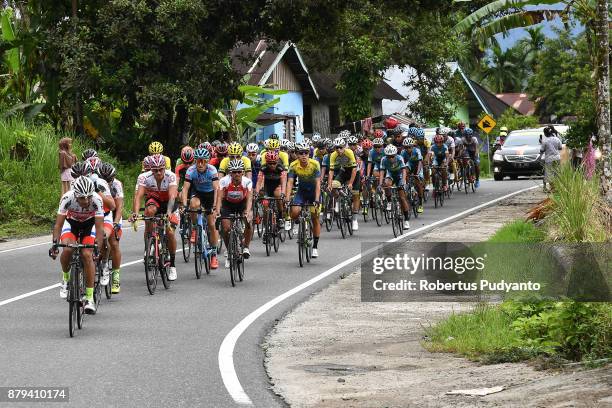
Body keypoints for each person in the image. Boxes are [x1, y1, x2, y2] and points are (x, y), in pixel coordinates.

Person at [49, 176, 104, 314]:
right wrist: (55, 245)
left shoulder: (97, 200)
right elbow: (58, 225)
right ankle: (66, 279)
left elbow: (99, 229)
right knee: (67, 249)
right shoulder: (67, 198)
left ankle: (90, 298)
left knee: (87, 255)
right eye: (82, 198)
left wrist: (97, 248)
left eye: (88, 197)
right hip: (71, 223)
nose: (86, 201)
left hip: (89, 224)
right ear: (75, 195)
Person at [129, 154, 179, 280]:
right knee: (149, 211)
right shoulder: (144, 177)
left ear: (164, 168)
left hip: (169, 203)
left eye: (161, 169)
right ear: (150, 169)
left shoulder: (171, 176)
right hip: (155, 200)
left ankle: (172, 265)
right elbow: (139, 195)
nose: (158, 172)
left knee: (170, 232)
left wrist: (168, 213)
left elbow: (172, 196)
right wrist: (135, 213)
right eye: (155, 170)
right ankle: (151, 240)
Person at [181, 147, 220, 269]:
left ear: (207, 161)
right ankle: (194, 228)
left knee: (212, 224)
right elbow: (185, 188)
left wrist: (214, 206)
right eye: (198, 161)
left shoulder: (212, 170)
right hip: (197, 193)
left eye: (203, 161)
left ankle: (213, 254)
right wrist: (184, 205)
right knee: (193, 205)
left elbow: (216, 189)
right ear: (195, 161)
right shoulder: (191, 170)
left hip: (209, 195)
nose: (200, 163)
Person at [286, 143, 322, 257]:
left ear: (309, 154)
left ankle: (315, 246)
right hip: (301, 192)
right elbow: (290, 182)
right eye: (301, 153)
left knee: (315, 218)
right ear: (296, 154)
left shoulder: (315, 164)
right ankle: (297, 224)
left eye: (306, 153)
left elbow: (318, 183)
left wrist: (316, 199)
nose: (303, 155)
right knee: (295, 211)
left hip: (313, 193)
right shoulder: (293, 165)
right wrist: (287, 198)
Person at [215, 159, 253, 268]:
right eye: (234, 172)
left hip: (242, 204)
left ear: (243, 172)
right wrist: (217, 211)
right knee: (225, 228)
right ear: (230, 173)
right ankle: (229, 251)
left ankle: (246, 247)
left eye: (239, 172)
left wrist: (247, 211)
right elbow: (219, 198)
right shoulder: (224, 181)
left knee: (248, 221)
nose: (237, 174)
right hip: (228, 205)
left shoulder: (247, 182)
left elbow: (249, 199)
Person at [97, 162, 123, 294]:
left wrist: (116, 222)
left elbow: (119, 206)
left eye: (109, 179)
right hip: (100, 213)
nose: (107, 182)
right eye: (104, 179)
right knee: (100, 241)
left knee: (113, 243)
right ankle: (104, 263)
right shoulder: (97, 184)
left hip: (113, 214)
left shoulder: (117, 184)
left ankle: (116, 276)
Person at [327, 138, 359, 231]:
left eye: (340, 148)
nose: (338, 150)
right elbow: (331, 171)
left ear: (344, 147)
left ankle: (354, 220)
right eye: (336, 148)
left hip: (354, 173)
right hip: (343, 171)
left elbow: (354, 169)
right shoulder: (333, 155)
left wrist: (351, 183)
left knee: (355, 195)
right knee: (333, 185)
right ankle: (337, 200)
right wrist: (329, 184)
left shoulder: (349, 152)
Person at [378, 145, 411, 230]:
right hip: (391, 174)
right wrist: (380, 184)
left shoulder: (399, 158)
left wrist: (403, 182)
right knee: (387, 184)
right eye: (388, 157)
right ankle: (389, 201)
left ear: (395, 154)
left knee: (402, 198)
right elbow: (382, 172)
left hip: (400, 175)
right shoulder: (384, 159)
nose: (391, 159)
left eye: (392, 156)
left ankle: (406, 220)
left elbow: (404, 170)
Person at [254, 150, 287, 232]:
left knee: (278, 195)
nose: (272, 165)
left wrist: (283, 193)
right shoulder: (263, 168)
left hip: (277, 186)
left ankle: (280, 217)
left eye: (274, 163)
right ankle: (267, 228)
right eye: (270, 163)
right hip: (267, 188)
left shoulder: (280, 168)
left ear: (277, 161)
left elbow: (283, 181)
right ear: (266, 162)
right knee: (265, 206)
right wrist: (257, 193)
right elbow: (259, 181)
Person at [401, 137, 424, 213]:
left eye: (409, 147)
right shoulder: (403, 152)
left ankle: (420, 203)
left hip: (418, 165)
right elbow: (402, 164)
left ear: (412, 146)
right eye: (406, 147)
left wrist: (417, 173)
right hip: (410, 165)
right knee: (405, 171)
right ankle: (408, 186)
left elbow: (420, 162)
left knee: (418, 182)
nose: (408, 149)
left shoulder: (417, 151)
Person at [540, 125, 562, 192]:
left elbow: (541, 150)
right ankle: (557, 187)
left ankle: (553, 188)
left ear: (546, 133)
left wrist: (541, 142)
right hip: (557, 158)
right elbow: (560, 148)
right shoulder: (557, 139)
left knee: (549, 173)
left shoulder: (545, 141)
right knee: (556, 172)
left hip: (549, 159)